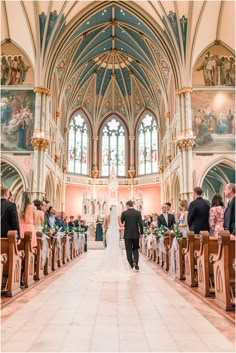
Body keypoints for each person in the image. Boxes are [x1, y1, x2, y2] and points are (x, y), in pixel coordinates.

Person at [91, 205, 131, 282]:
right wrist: (125, 223)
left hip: (109, 233)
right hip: (115, 233)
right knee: (115, 247)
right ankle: (116, 265)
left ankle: (109, 265)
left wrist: (109, 228)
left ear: (110, 210)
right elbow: (121, 225)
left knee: (109, 247)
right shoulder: (118, 217)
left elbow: (104, 226)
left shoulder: (107, 216)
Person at [121, 200, 143, 271]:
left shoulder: (124, 213)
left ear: (127, 205)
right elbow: (140, 224)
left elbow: (121, 223)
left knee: (128, 250)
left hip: (127, 235)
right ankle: (136, 263)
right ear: (132, 205)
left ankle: (132, 263)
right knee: (136, 249)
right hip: (136, 234)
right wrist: (141, 233)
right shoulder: (138, 213)